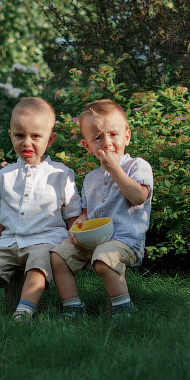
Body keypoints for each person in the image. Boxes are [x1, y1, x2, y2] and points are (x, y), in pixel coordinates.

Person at [0, 97, 80, 328]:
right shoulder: (5, 175)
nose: (26, 142)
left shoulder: (61, 173)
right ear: (11, 136)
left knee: (38, 267)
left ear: (50, 139)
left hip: (45, 240)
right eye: (20, 136)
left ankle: (24, 312)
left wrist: (72, 249)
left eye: (35, 136)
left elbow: (73, 215)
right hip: (9, 241)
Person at [51, 99, 153, 317]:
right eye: (98, 138)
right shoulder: (90, 179)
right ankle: (73, 307)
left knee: (103, 257)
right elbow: (86, 212)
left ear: (126, 136)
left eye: (113, 135)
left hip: (125, 240)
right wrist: (79, 222)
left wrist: (115, 169)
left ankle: (123, 310)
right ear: (88, 146)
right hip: (93, 242)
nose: (106, 143)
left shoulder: (138, 166)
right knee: (58, 256)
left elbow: (138, 197)